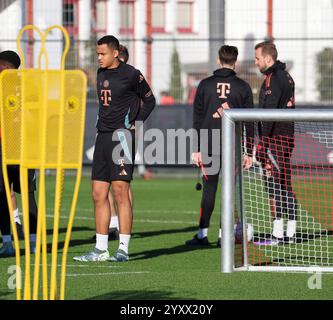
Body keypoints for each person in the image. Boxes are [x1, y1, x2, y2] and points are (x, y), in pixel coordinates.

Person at [74, 35, 155, 262]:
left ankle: (123, 249)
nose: (98, 58)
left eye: (103, 54)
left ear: (115, 53)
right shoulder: (101, 74)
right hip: (102, 137)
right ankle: (100, 249)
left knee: (120, 192)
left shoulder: (132, 74)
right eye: (97, 54)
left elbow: (150, 100)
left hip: (121, 138)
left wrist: (135, 121)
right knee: (98, 193)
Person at [186, 45, 254, 247]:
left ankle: (202, 234)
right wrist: (248, 151)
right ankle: (225, 235)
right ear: (236, 62)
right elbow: (250, 122)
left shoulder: (205, 85)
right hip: (232, 146)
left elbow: (197, 119)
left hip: (208, 145)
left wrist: (196, 149)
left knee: (209, 190)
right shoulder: (243, 87)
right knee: (229, 191)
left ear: (218, 60)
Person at [254, 41, 297, 244]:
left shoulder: (274, 78)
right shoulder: (286, 75)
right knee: (284, 182)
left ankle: (279, 234)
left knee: (277, 184)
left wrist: (262, 144)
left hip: (276, 137)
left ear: (268, 58)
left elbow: (269, 114)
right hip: (286, 135)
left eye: (258, 58)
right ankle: (290, 232)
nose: (256, 62)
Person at [0, 50, 38, 257]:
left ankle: (31, 241)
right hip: (6, 147)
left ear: (7, 65)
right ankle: (8, 242)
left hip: (22, 146)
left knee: (27, 194)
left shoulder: (26, 85)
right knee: (3, 194)